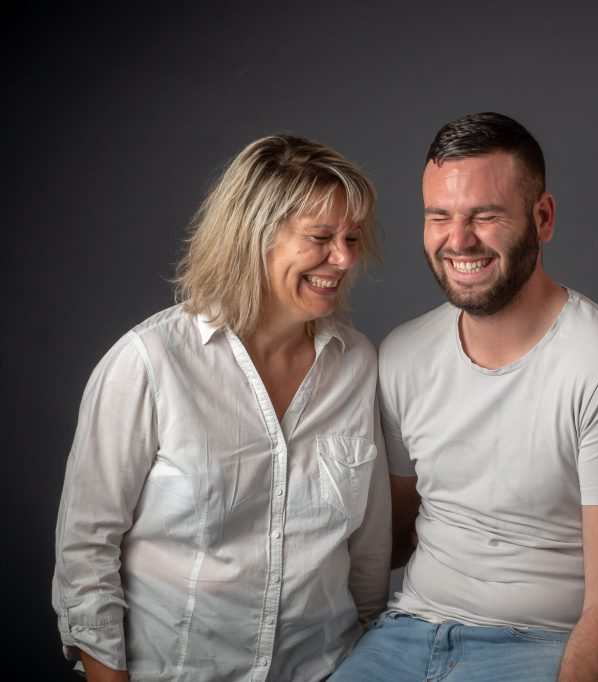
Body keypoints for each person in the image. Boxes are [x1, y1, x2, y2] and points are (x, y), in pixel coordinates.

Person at [52, 134, 391, 682]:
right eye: (320, 237)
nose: (345, 257)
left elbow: (368, 554)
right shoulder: (148, 363)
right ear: (254, 238)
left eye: (352, 237)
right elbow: (85, 554)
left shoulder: (358, 365)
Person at [329, 112, 598, 682]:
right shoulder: (404, 354)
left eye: (485, 215)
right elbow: (392, 535)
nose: (459, 241)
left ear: (543, 218)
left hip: (542, 642)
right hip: (406, 632)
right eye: (440, 217)